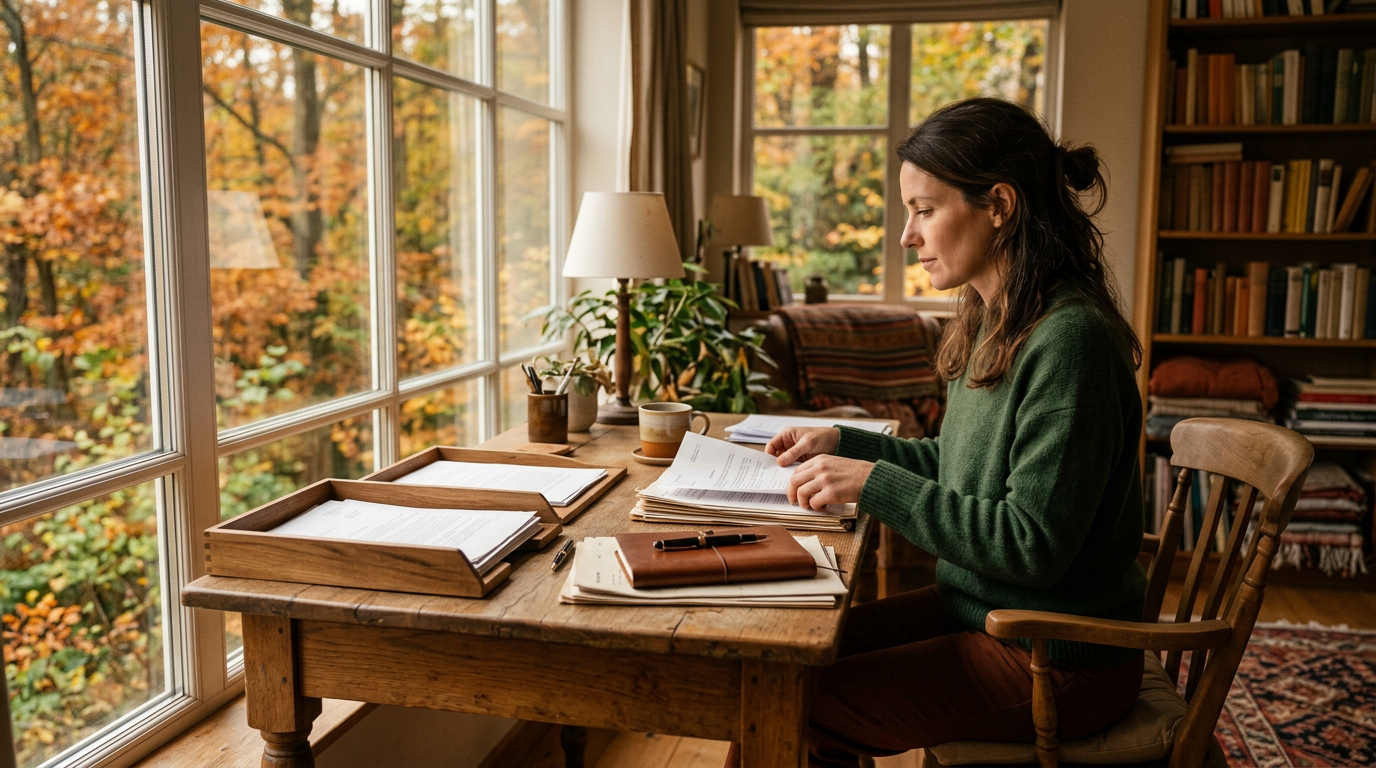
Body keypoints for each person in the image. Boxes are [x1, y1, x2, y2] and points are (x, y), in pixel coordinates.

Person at [766, 97, 1148, 767]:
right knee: (778, 662)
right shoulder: (995, 319)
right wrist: (844, 444)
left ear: (998, 205)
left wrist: (876, 485)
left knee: (782, 700)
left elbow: (1031, 546)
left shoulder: (1070, 342)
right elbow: (960, 464)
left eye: (924, 209)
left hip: (1054, 656)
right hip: (983, 616)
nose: (908, 237)